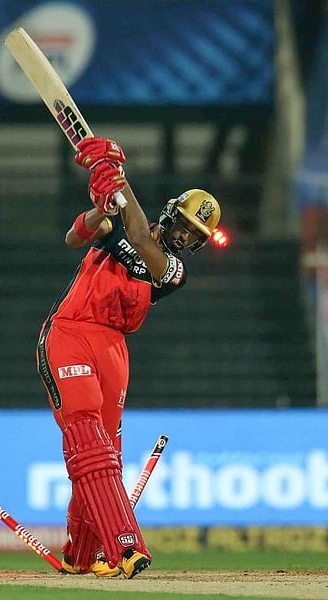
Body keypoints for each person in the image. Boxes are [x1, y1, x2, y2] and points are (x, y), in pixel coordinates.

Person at [36, 137, 223, 579]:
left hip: (113, 347)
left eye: (194, 238)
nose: (183, 238)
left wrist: (120, 183)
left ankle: (79, 555)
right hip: (69, 331)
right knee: (86, 435)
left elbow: (140, 238)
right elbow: (74, 236)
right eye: (183, 227)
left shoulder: (172, 272)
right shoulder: (119, 223)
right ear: (171, 213)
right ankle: (124, 544)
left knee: (106, 451)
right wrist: (104, 203)